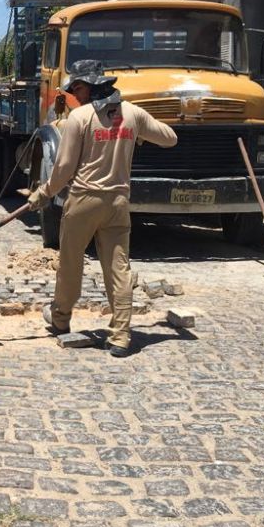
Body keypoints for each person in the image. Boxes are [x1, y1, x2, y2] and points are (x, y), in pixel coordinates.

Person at [28, 59, 178, 357]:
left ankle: (60, 319)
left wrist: (43, 193)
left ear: (92, 86)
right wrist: (135, 134)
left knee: (71, 264)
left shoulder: (80, 118)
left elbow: (64, 168)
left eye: (77, 88)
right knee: (118, 269)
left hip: (83, 201)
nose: (74, 95)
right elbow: (170, 139)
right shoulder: (132, 113)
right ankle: (121, 336)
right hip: (117, 203)